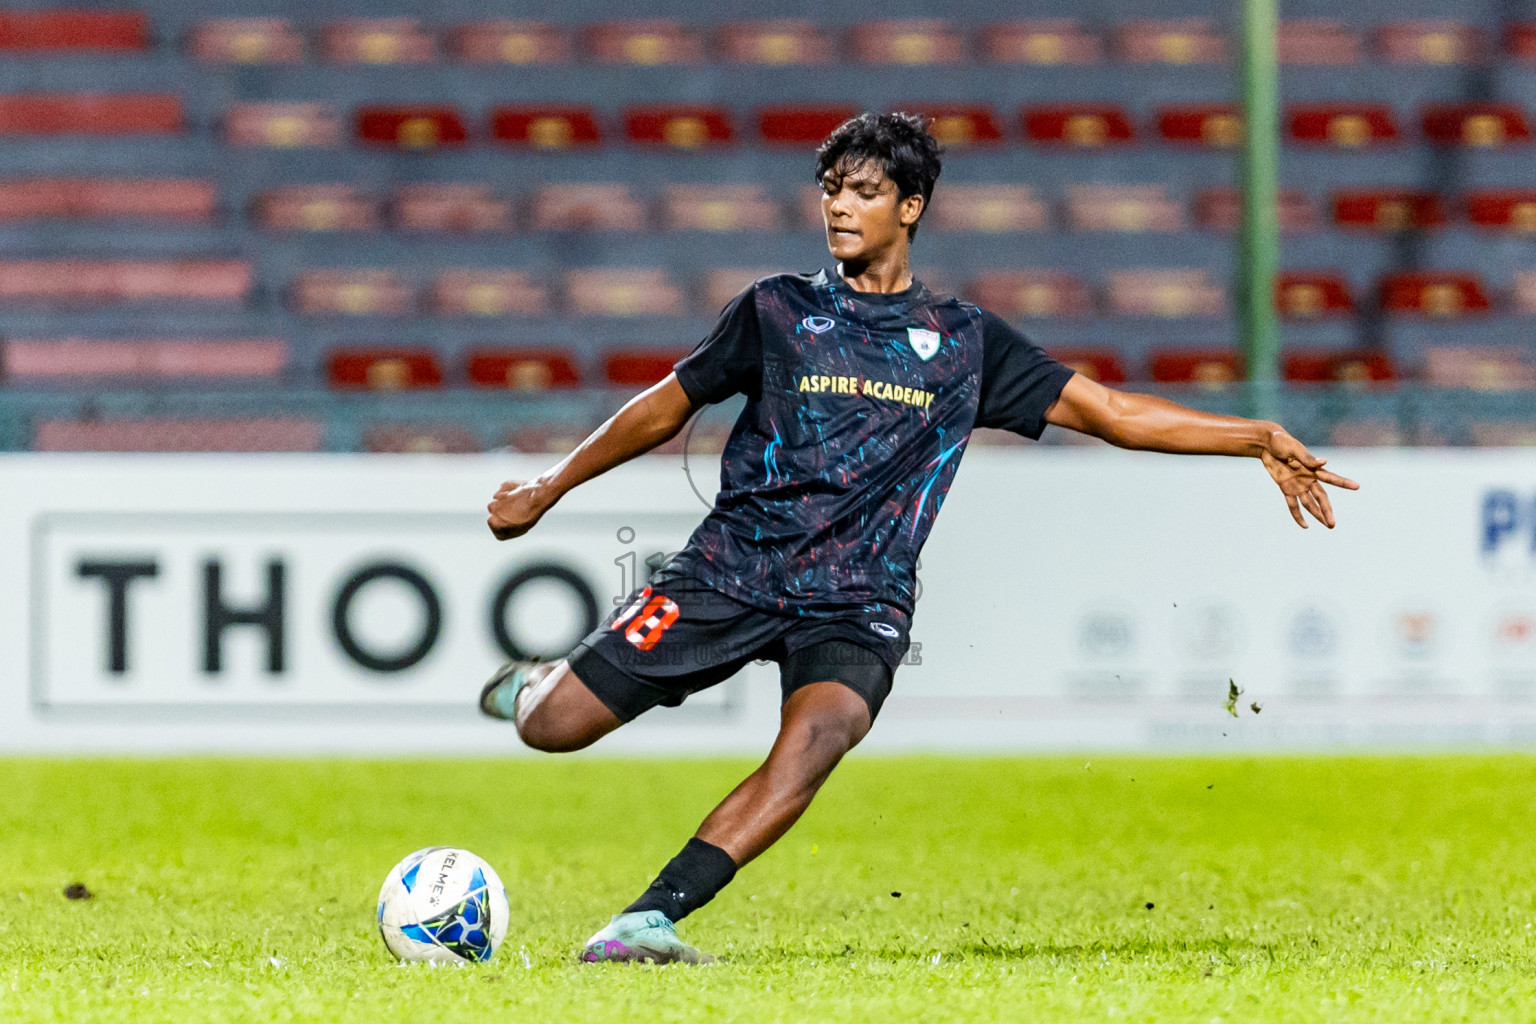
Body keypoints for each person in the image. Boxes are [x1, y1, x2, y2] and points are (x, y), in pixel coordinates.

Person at [478, 112, 1359, 964]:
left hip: (859, 599)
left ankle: (645, 924)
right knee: (552, 728)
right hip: (733, 567)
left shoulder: (965, 344)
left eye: (861, 191)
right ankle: (541, 682)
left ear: (910, 207)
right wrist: (550, 487)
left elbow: (1113, 413)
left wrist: (1255, 436)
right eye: (830, 189)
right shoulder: (776, 311)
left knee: (818, 740)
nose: (837, 207)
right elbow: (668, 403)